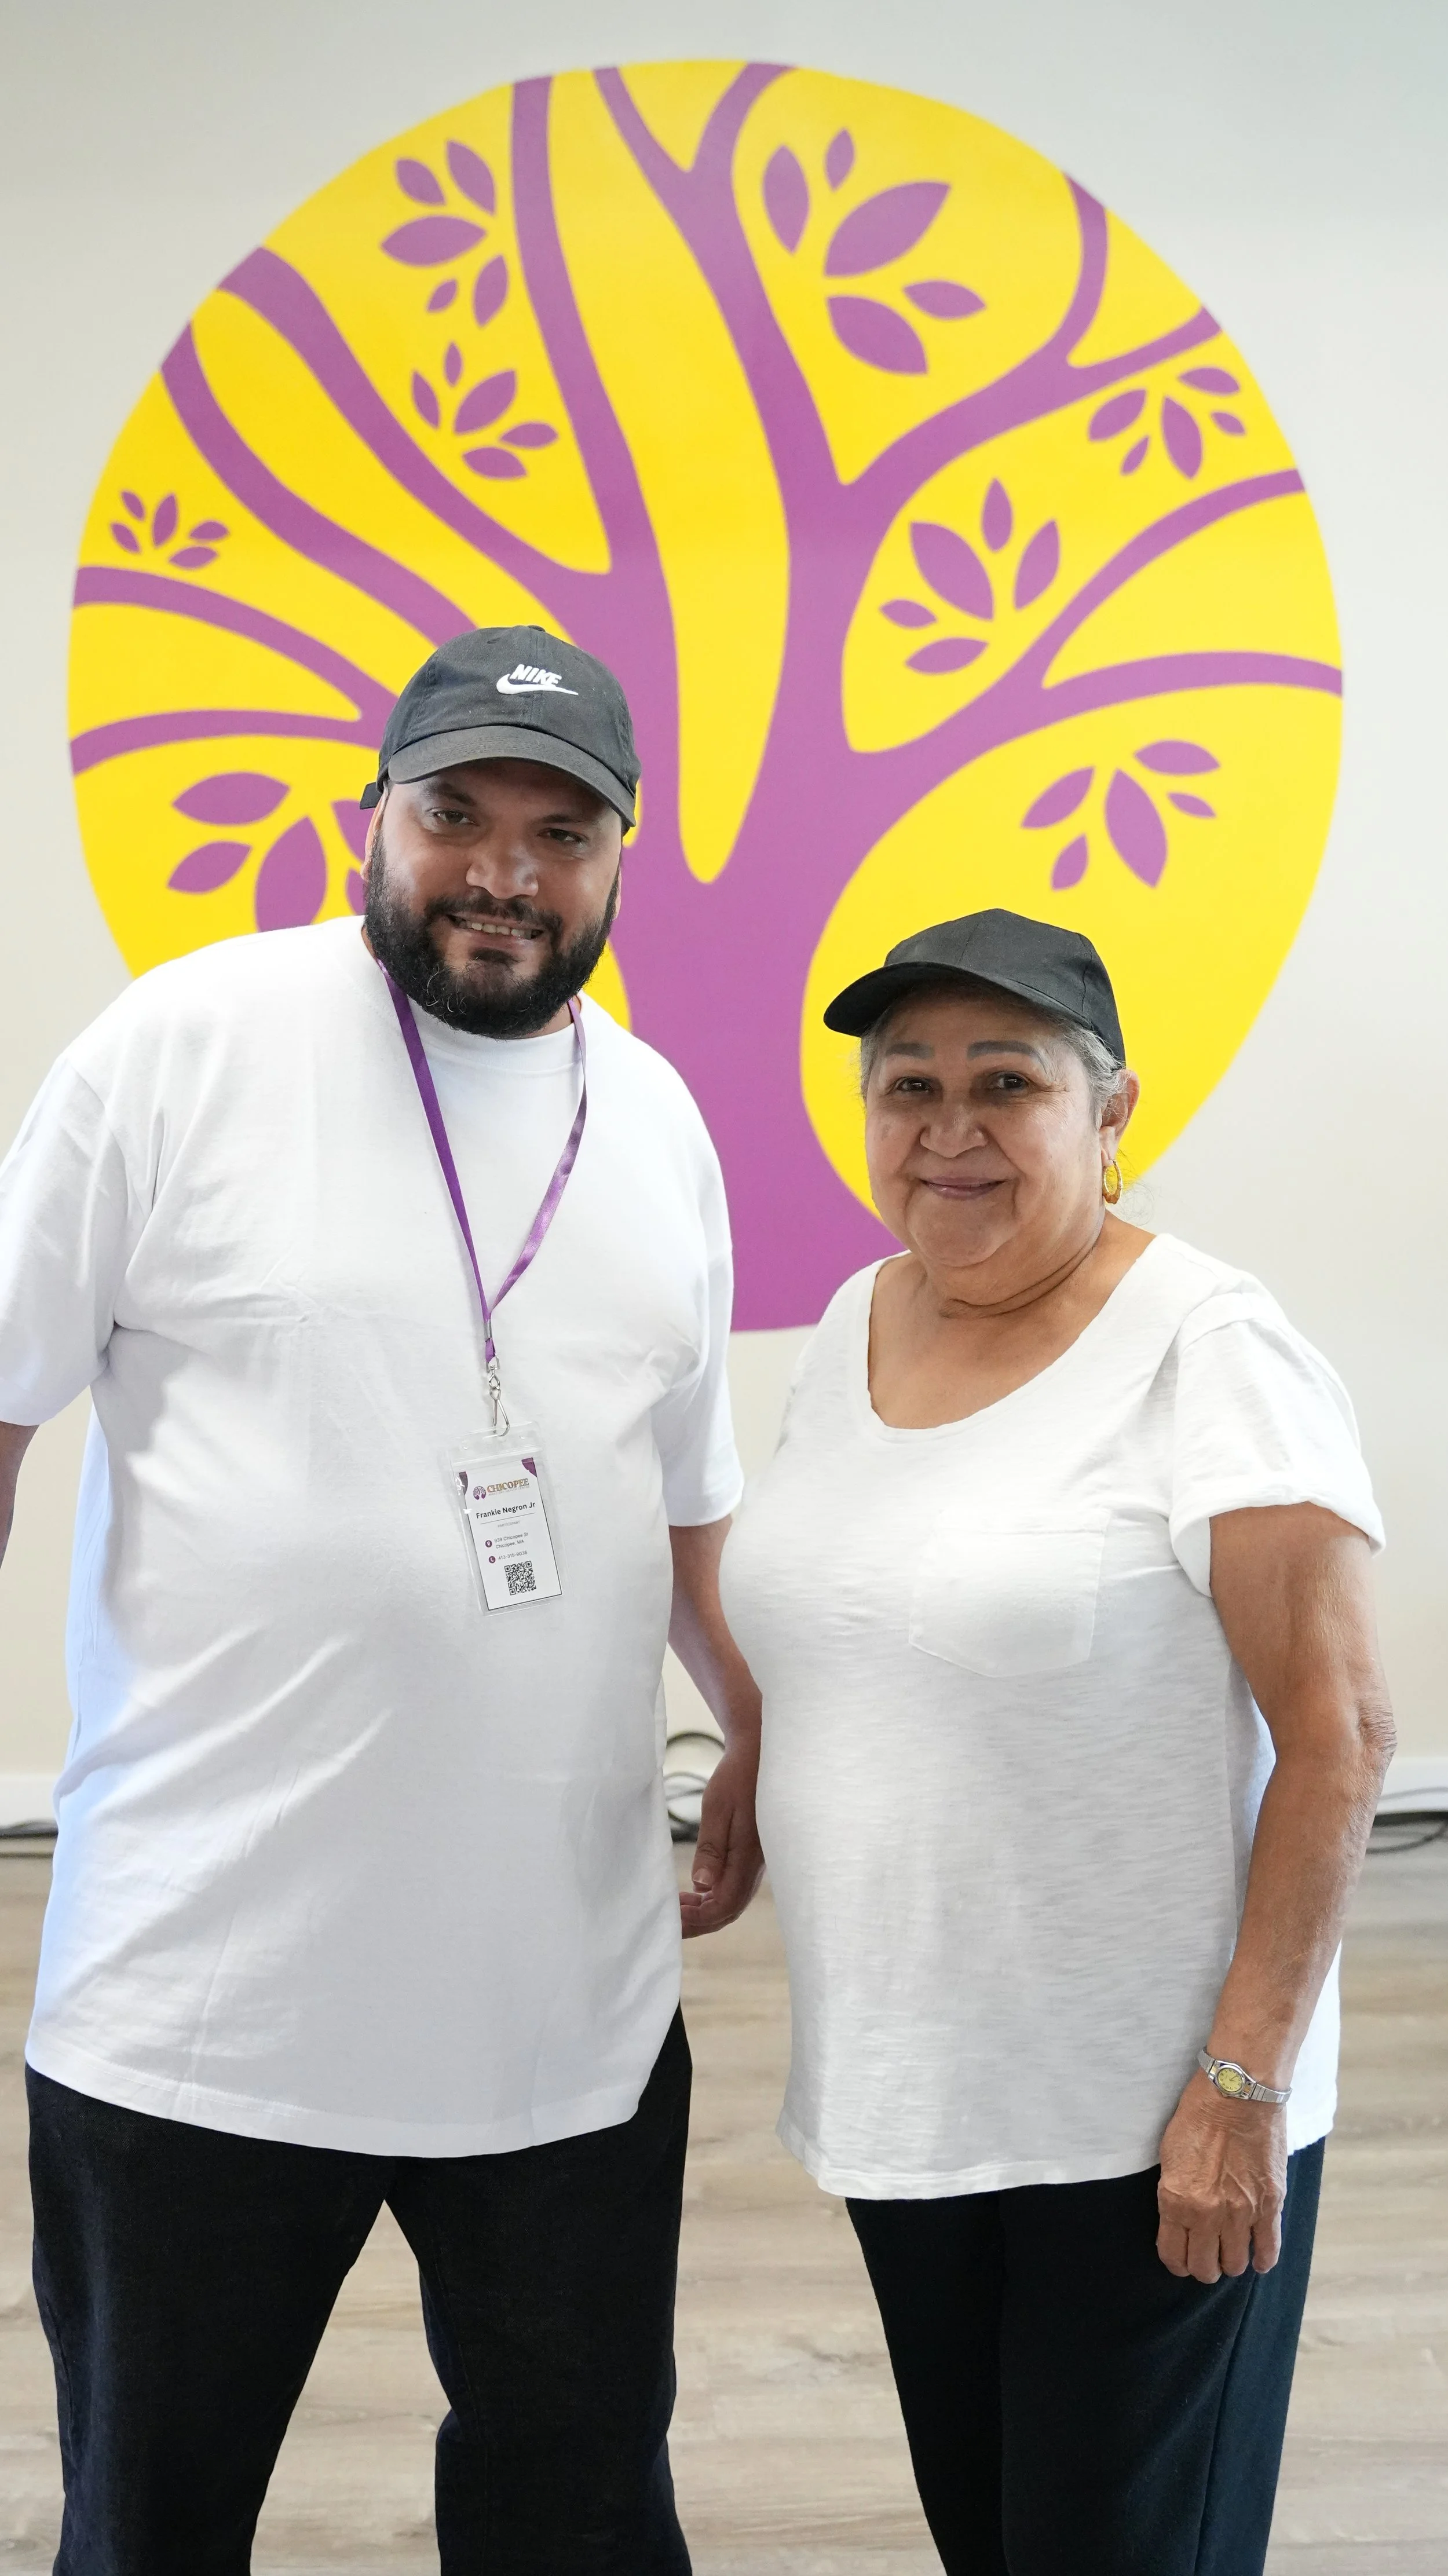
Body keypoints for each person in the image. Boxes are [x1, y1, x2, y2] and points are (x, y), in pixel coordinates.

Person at [0, 624, 764, 2574]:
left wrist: (758, 1739)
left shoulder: (656, 1122)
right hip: (201, 1995)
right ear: (373, 818)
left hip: (563, 2010)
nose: (503, 871)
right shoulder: (179, 1049)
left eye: (559, 831)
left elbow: (688, 1511)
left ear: (620, 855)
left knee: (580, 2517)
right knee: (151, 2527)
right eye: (455, 815)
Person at [719, 909, 1393, 2576]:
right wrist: (750, 1766)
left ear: (1110, 1113)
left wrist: (1238, 2090)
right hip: (912, 2094)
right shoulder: (855, 1321)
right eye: (909, 1086)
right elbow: (851, 1610)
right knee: (997, 2536)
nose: (947, 1130)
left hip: (1142, 2123)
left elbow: (1341, 1735)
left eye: (1005, 1083)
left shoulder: (1209, 1346)